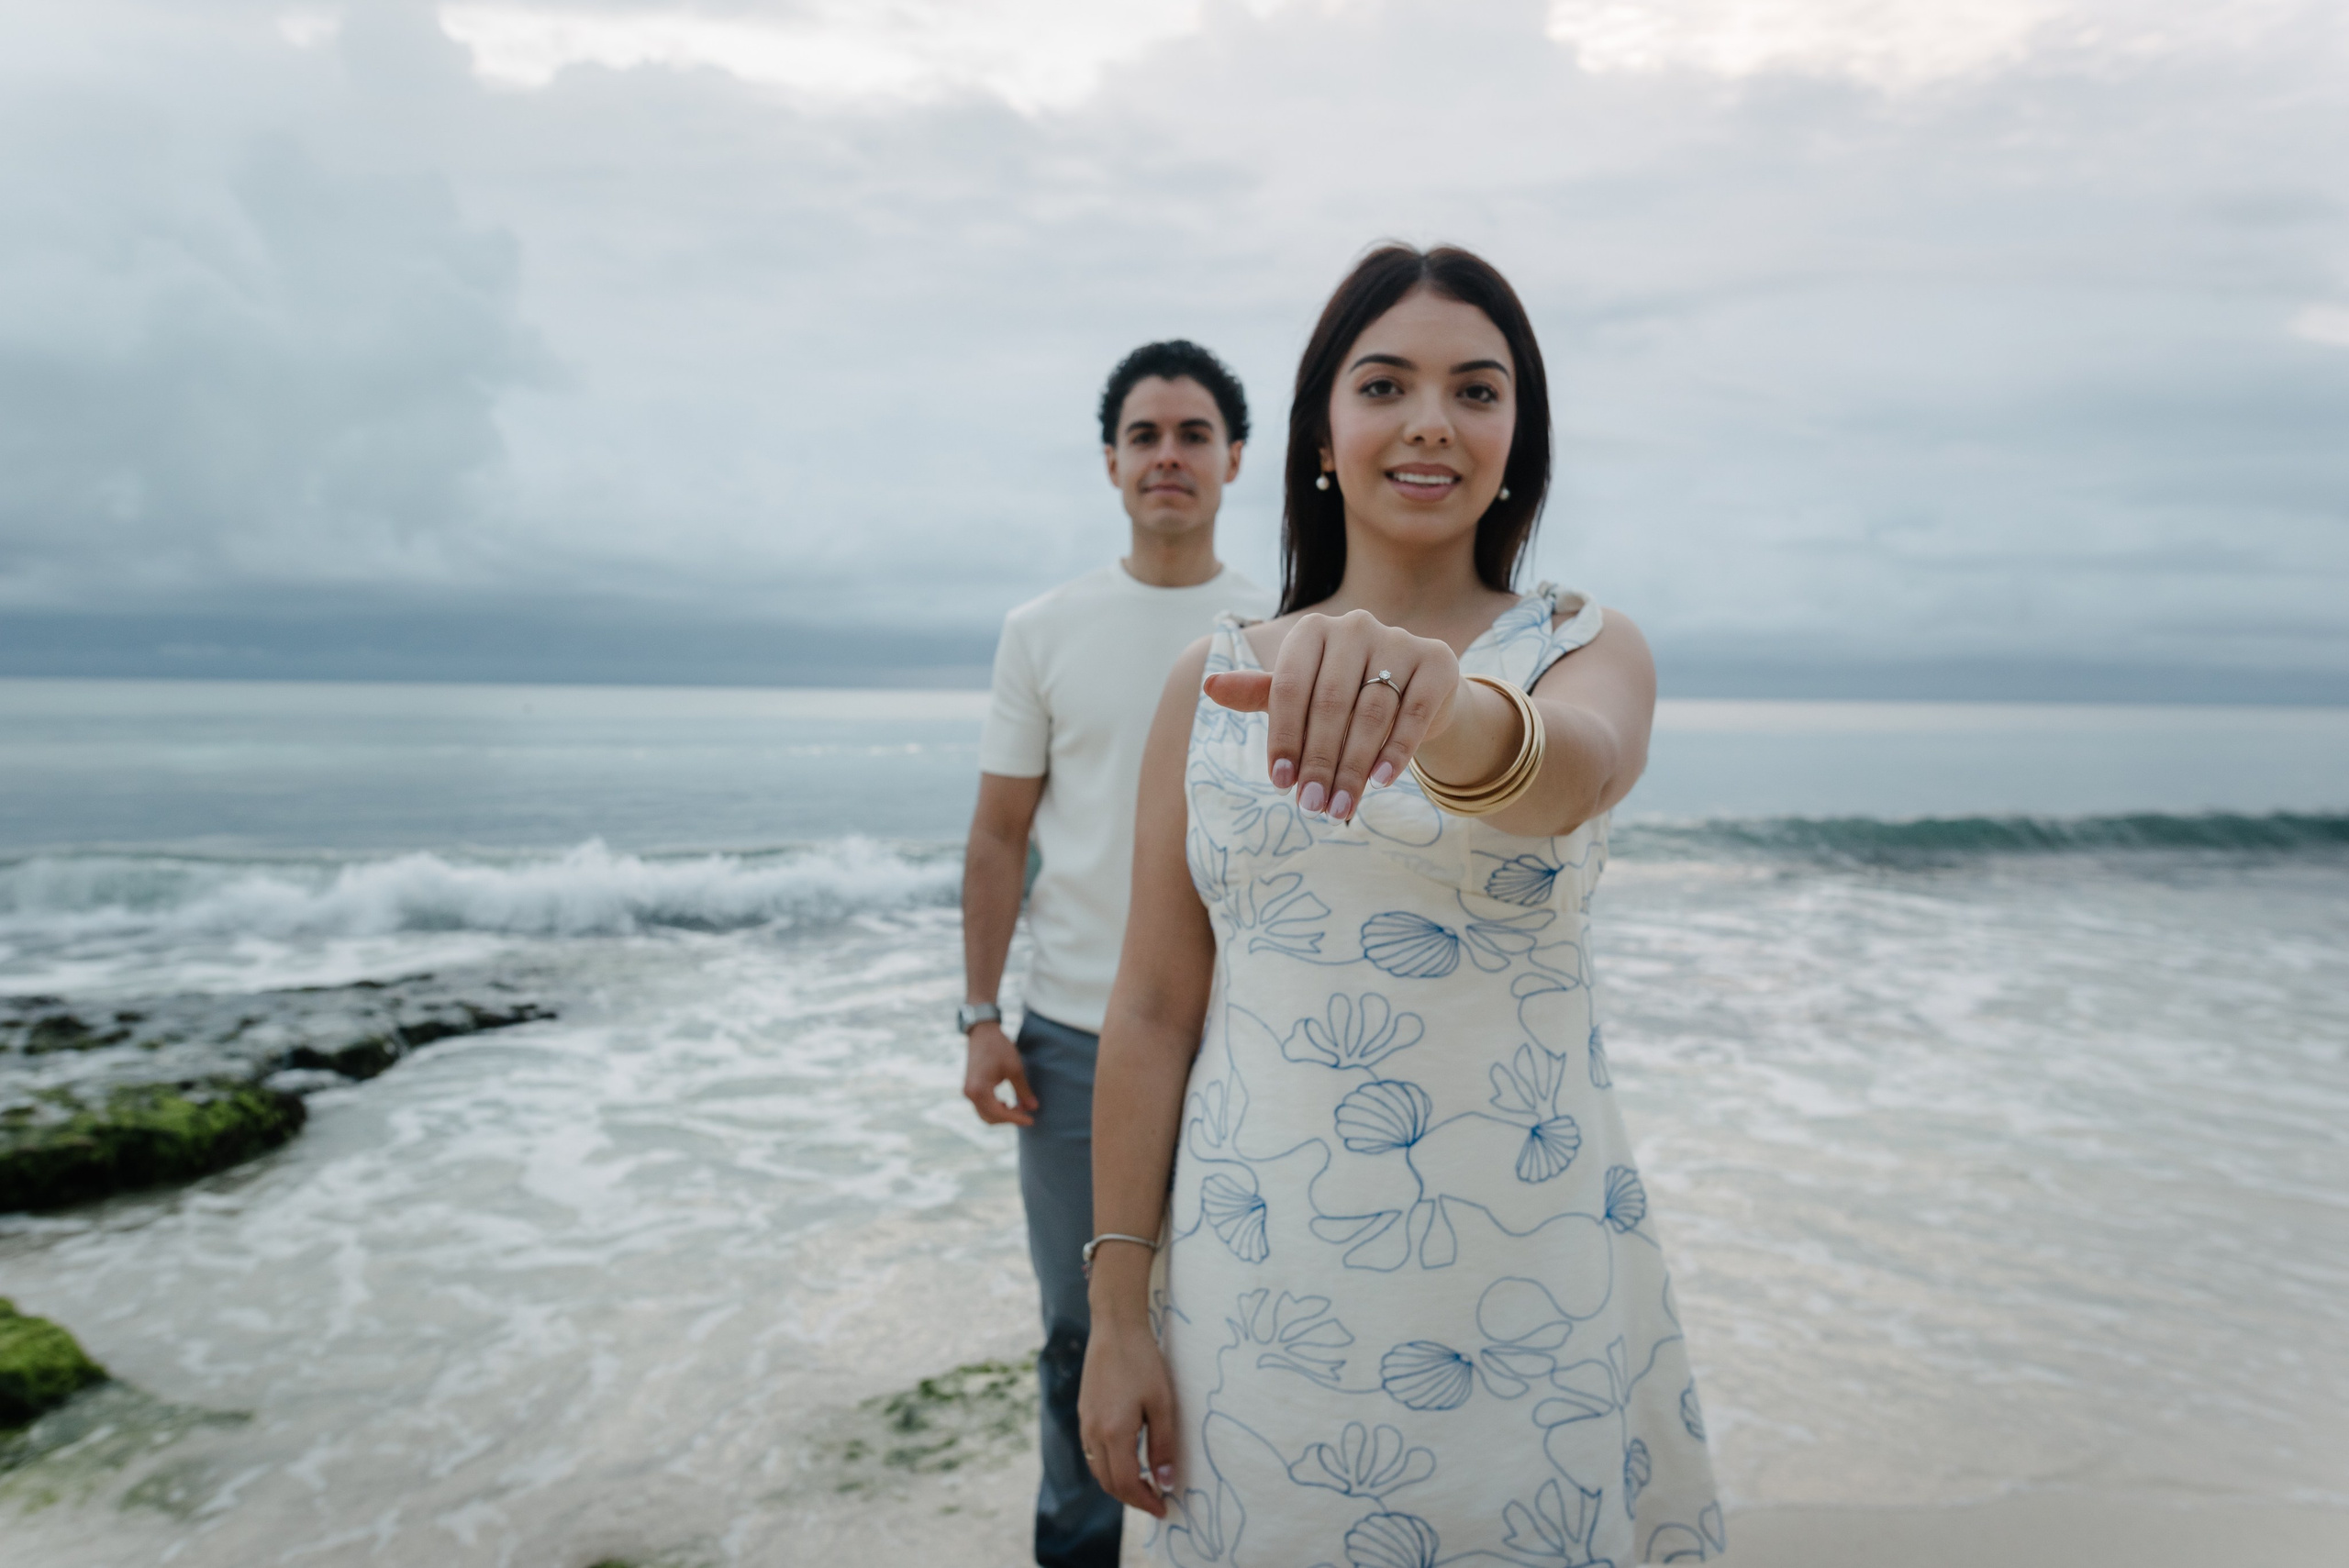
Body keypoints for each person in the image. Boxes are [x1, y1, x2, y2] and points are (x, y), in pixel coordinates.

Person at [1077, 247, 1724, 1564]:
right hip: (1258, 1298)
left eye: (1477, 391)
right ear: (1325, 429)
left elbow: (1570, 772)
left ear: (1515, 439)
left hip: (1527, 1286)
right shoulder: (1215, 683)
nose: (1433, 419)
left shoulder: (1582, 649)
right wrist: (1119, 1312)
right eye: (1388, 384)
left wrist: (1443, 701)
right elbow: (1150, 1010)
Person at [960, 339, 1276, 1567]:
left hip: (1246, 1043)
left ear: (1234, 458)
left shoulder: (1279, 623)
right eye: (1144, 435)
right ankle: (1077, 1549)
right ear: (1110, 462)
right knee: (1079, 1329)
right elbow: (998, 836)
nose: (1168, 456)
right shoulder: (1043, 630)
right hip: (1078, 1044)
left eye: (1193, 433)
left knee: (1241, 1324)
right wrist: (980, 1014)